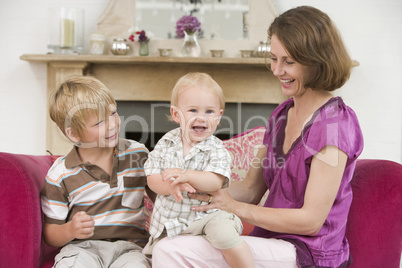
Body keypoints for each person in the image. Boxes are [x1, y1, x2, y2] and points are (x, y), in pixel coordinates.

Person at [150, 6, 364, 268]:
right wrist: (199, 187)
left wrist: (233, 207)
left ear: (316, 61)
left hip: (309, 252)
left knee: (171, 251)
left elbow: (311, 221)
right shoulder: (282, 115)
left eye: (289, 62)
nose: (276, 70)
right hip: (271, 241)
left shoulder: (335, 124)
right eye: (274, 58)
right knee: (172, 243)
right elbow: (251, 190)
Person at [143, 72, 255, 268]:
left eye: (209, 112)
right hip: (172, 220)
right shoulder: (166, 142)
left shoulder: (216, 148)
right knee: (161, 254)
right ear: (177, 114)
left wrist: (187, 175)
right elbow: (152, 177)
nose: (201, 118)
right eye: (193, 110)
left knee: (224, 235)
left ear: (219, 117)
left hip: (206, 217)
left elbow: (215, 182)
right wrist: (170, 188)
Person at [40, 75, 153, 267]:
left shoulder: (138, 154)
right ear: (74, 134)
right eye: (99, 122)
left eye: (113, 113)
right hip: (81, 248)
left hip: (131, 248)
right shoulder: (60, 175)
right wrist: (70, 230)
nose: (112, 124)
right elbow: (50, 233)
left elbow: (161, 194)